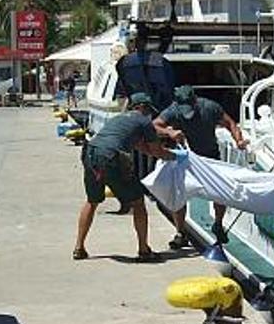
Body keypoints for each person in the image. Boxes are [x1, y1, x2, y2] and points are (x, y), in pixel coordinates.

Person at [73, 92, 179, 262]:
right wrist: (177, 157)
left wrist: (163, 153)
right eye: (149, 110)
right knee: (138, 202)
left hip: (90, 153)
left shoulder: (120, 119)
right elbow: (156, 151)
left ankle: (79, 248)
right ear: (142, 107)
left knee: (92, 201)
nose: (150, 114)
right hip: (111, 157)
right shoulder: (144, 121)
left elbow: (140, 146)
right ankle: (144, 250)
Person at [153, 85, 249, 249]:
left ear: (195, 101)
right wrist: (170, 133)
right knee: (179, 192)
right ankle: (180, 232)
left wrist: (238, 140)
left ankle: (218, 224)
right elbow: (155, 125)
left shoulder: (210, 107)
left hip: (209, 155)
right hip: (185, 157)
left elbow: (230, 123)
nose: (187, 111)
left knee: (220, 191)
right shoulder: (173, 111)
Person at [114, 23, 176, 110]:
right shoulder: (161, 61)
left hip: (133, 109)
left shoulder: (124, 62)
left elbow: (121, 89)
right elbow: (169, 89)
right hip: (158, 109)